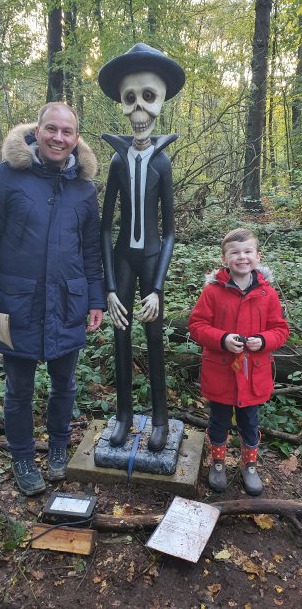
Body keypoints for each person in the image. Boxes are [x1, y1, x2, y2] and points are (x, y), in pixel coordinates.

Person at [0, 102, 105, 496]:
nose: (58, 137)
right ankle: (21, 455)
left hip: (68, 303)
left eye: (67, 132)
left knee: (64, 385)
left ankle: (56, 448)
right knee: (17, 388)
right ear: (37, 131)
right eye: (51, 129)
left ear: (75, 139)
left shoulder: (84, 189)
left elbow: (90, 253)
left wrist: (96, 299)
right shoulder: (3, 177)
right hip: (12, 307)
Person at [98, 43, 185, 452]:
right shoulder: (116, 162)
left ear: (161, 104)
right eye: (130, 99)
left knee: (152, 339)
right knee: (120, 337)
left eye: (148, 98)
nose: (138, 111)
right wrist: (110, 288)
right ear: (121, 103)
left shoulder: (163, 164)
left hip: (151, 262)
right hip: (123, 260)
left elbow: (169, 232)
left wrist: (157, 288)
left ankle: (160, 420)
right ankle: (123, 416)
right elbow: (104, 228)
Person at [187, 228, 289, 496]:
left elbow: (280, 329)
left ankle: (249, 466)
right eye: (235, 253)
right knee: (218, 421)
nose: (242, 257)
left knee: (249, 422)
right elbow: (196, 325)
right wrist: (222, 339)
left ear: (257, 256)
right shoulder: (212, 292)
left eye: (247, 252)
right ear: (224, 258)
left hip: (253, 374)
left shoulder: (267, 294)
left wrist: (263, 341)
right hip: (220, 372)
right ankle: (218, 462)